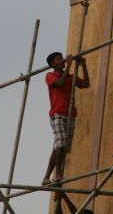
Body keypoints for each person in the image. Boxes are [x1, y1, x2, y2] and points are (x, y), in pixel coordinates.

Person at [42, 52, 90, 185]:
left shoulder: (71, 77)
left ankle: (46, 177)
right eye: (59, 59)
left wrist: (83, 66)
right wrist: (69, 65)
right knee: (61, 142)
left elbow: (86, 84)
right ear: (53, 64)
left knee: (61, 146)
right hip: (57, 113)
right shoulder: (50, 76)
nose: (62, 60)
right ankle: (58, 173)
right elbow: (59, 83)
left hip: (70, 115)